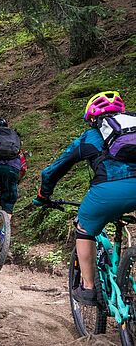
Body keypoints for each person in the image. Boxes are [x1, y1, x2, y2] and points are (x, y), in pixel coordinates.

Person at [33, 91, 136, 305]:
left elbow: (54, 170)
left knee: (84, 228)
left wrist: (44, 195)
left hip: (109, 191)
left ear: (92, 118)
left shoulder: (90, 137)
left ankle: (88, 288)